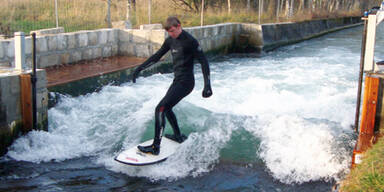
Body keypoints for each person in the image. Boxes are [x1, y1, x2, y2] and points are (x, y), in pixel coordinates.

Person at [131, 16, 212, 155]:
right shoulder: (170, 40)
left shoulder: (190, 41)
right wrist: (140, 68)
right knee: (167, 108)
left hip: (186, 83)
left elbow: (204, 62)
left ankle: (155, 147)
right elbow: (157, 56)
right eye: (169, 32)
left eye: (173, 31)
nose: (172, 34)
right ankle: (178, 136)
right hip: (177, 81)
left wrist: (207, 85)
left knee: (160, 109)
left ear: (179, 26)